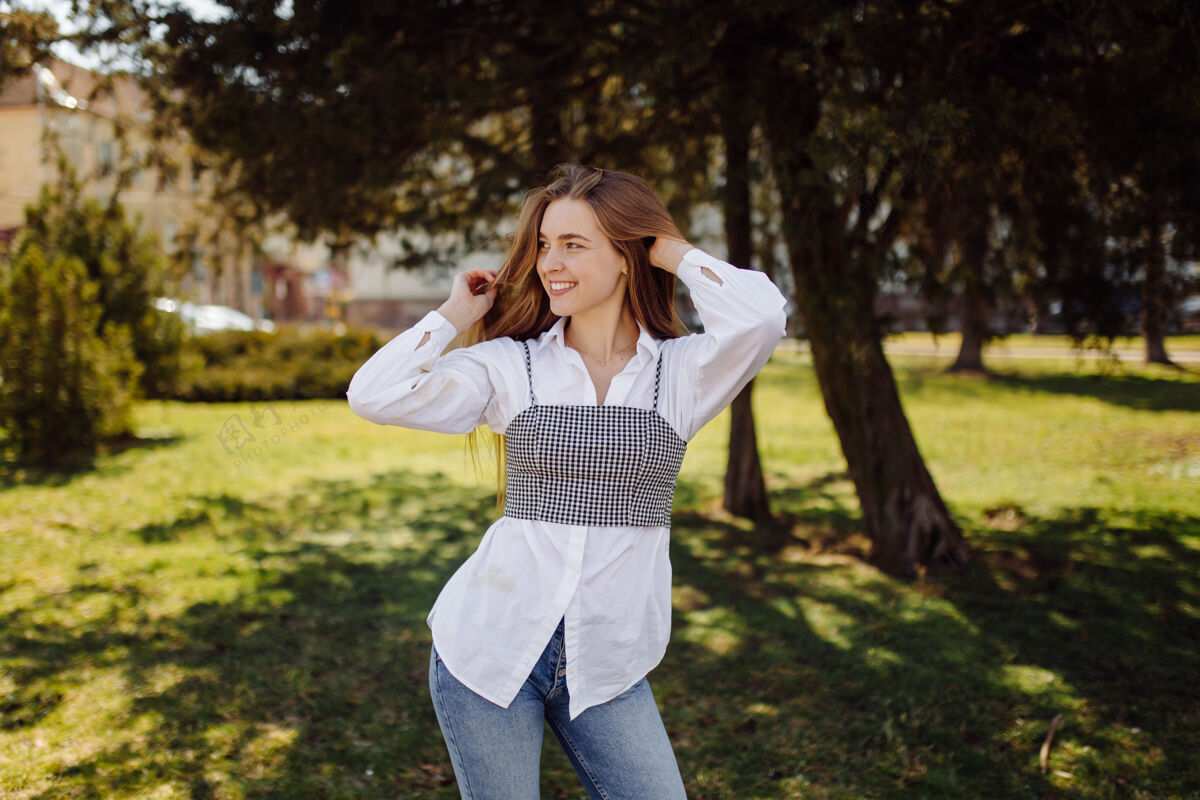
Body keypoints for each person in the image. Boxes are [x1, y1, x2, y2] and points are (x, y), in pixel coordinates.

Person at [346, 164, 787, 799]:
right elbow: (374, 394)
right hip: (490, 651)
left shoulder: (682, 375)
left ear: (627, 256)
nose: (550, 262)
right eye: (545, 244)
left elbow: (762, 319)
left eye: (574, 245)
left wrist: (671, 252)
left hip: (607, 667)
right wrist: (451, 313)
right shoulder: (512, 367)